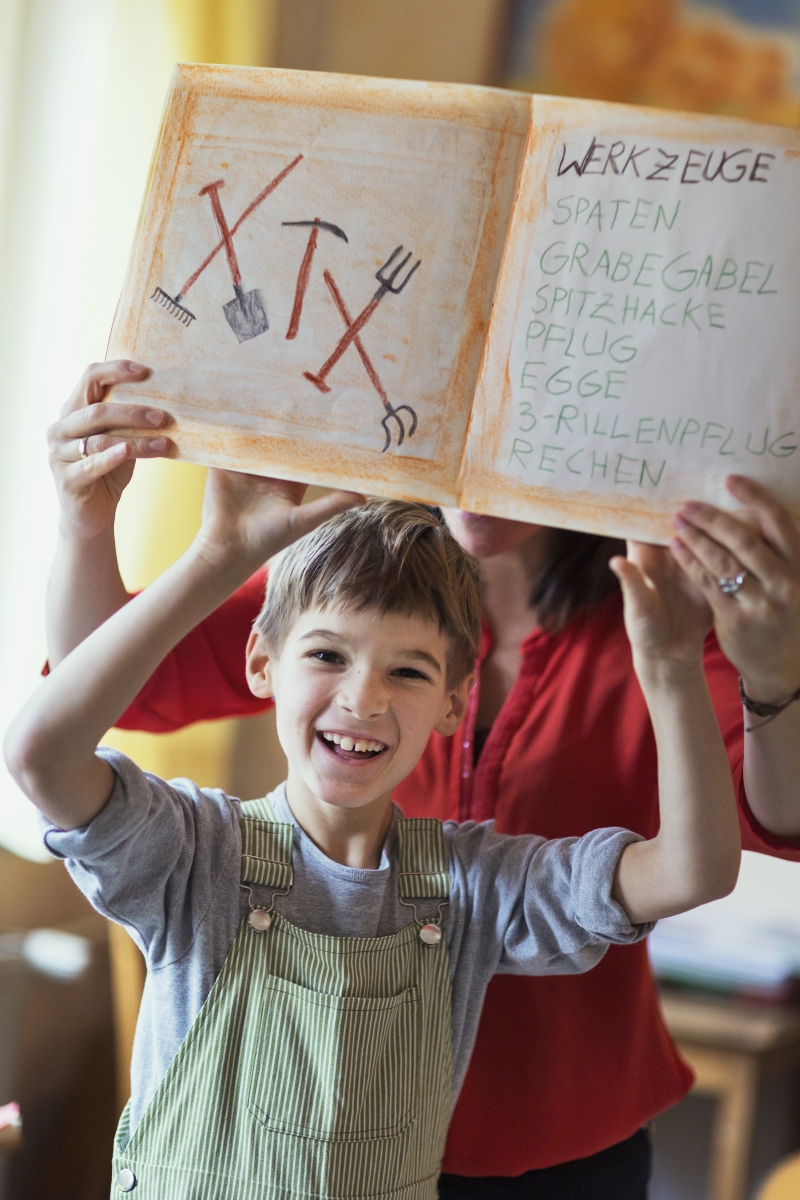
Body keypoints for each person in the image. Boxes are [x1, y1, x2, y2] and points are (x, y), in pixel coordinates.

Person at [44, 362, 800, 1199]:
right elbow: (99, 695)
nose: (364, 697)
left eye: (409, 674)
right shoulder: (348, 594)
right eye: (330, 657)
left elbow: (753, 833)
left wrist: (757, 672)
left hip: (564, 1136)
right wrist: (92, 527)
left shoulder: (664, 625)